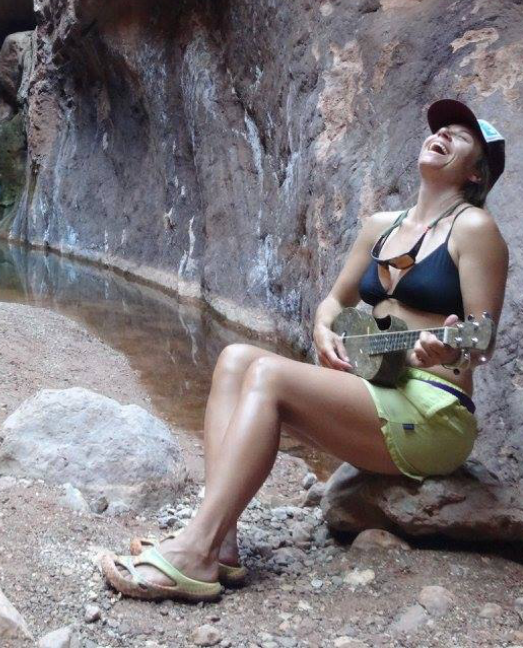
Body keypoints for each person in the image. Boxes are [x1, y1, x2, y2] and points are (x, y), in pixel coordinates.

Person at [101, 98, 509, 602]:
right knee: (234, 360)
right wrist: (323, 330)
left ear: (475, 173)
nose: (443, 133)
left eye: (460, 135)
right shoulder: (380, 225)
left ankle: (194, 553)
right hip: (374, 387)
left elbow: (482, 340)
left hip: (433, 410)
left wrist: (449, 353)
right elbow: (334, 302)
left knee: (269, 376)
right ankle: (219, 541)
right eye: (440, 127)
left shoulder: (474, 228)